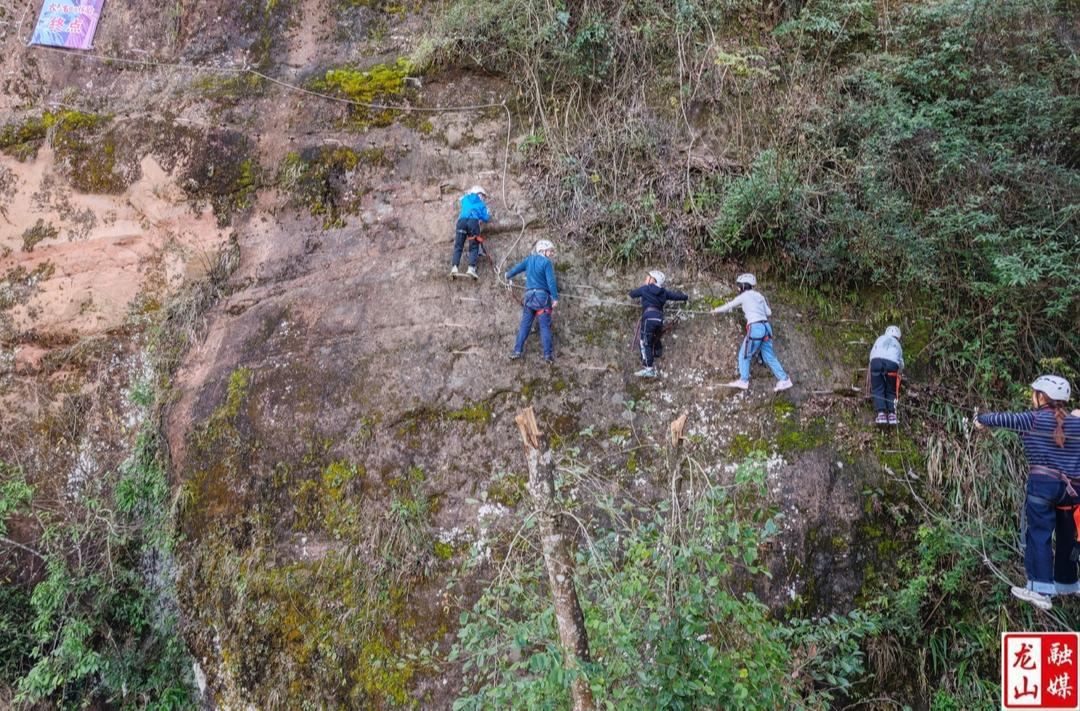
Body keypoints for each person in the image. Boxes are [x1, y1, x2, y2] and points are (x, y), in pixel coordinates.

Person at [975, 375, 1080, 611]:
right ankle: (1067, 583)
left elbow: (1001, 419)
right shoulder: (1076, 423)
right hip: (1074, 491)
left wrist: (980, 419)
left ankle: (1040, 588)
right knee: (1067, 536)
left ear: (1041, 397)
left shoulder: (1032, 419)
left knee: (1040, 534)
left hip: (1044, 485)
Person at [711, 273, 793, 392]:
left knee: (744, 355)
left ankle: (743, 380)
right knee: (769, 356)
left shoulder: (744, 296)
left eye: (739, 286)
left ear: (744, 285)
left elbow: (730, 305)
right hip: (766, 328)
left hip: (755, 328)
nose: (738, 288)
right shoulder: (759, 295)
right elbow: (768, 312)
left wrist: (716, 310)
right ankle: (784, 379)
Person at [507, 240, 559, 364]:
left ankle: (517, 350)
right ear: (543, 250)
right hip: (543, 298)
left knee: (524, 326)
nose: (551, 253)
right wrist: (555, 298)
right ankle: (547, 355)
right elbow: (550, 281)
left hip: (529, 298)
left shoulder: (529, 260)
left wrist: (507, 276)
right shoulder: (546, 262)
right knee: (545, 328)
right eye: (550, 251)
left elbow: (516, 269)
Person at [629, 270, 687, 378]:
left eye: (647, 277)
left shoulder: (645, 289)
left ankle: (649, 368)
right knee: (651, 340)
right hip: (659, 319)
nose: (646, 279)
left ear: (652, 279)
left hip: (648, 318)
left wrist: (632, 292)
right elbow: (675, 296)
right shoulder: (663, 292)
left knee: (644, 342)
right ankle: (652, 355)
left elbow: (632, 294)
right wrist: (685, 297)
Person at [451, 185, 490, 279]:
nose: (483, 198)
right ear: (480, 194)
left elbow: (461, 200)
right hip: (473, 222)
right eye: (483, 196)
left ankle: (454, 268)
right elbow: (485, 218)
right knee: (473, 246)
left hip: (461, 221)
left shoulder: (465, 198)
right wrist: (486, 213)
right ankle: (471, 268)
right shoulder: (481, 204)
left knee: (458, 245)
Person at [869, 326, 904, 425]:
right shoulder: (897, 344)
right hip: (891, 364)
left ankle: (881, 414)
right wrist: (900, 372)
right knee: (890, 388)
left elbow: (871, 355)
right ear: (898, 337)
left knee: (878, 387)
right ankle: (892, 415)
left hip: (876, 361)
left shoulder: (879, 339)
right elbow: (900, 362)